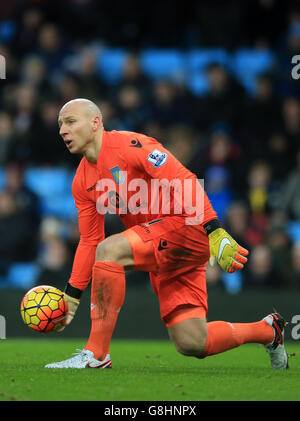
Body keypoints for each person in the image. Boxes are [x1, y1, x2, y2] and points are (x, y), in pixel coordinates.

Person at [45, 98, 288, 370]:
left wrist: (214, 230)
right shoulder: (82, 181)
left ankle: (97, 353)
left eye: (70, 121)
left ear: (95, 122)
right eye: (59, 125)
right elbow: (89, 239)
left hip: (186, 225)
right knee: (192, 342)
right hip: (164, 246)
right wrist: (72, 295)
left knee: (110, 251)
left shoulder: (131, 145)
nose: (62, 130)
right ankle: (269, 331)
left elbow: (183, 179)